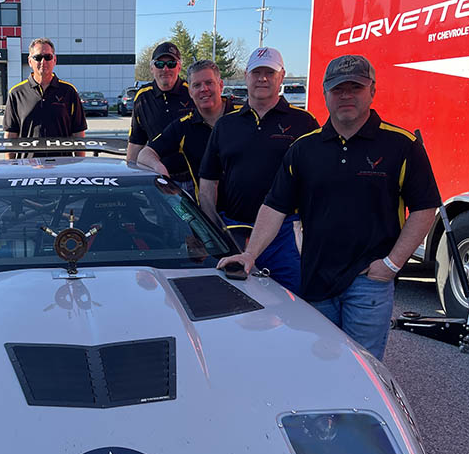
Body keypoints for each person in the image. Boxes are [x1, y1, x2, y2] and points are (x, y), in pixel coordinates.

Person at [218, 55, 441, 359]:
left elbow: (425, 207)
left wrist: (391, 264)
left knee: (364, 366)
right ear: (325, 94)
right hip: (316, 280)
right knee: (318, 363)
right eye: (338, 89)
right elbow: (274, 206)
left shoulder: (400, 145)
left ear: (372, 91)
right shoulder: (303, 148)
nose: (346, 95)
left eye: (355, 88)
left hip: (369, 283)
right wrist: (250, 254)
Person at [198, 48, 319, 293]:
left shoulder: (304, 122)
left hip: (285, 234)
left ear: (281, 76)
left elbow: (318, 183)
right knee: (232, 301)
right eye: (257, 72)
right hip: (234, 230)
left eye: (269, 72)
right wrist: (214, 229)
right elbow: (208, 182)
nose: (262, 78)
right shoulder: (226, 124)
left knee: (292, 303)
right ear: (246, 76)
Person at [137, 59, 235, 202]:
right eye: (197, 85)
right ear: (190, 91)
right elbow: (145, 154)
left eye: (209, 83)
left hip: (255, 214)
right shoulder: (184, 126)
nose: (203, 89)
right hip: (209, 216)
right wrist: (160, 170)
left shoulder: (244, 115)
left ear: (220, 85)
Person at [3, 38, 86, 156]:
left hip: (63, 168)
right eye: (37, 57)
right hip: (27, 168)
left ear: (55, 60)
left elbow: (78, 134)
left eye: (48, 57)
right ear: (30, 61)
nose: (43, 61)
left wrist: (79, 165)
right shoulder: (16, 93)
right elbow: (11, 136)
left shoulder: (69, 92)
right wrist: (11, 169)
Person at [126, 42, 192, 163]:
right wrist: (129, 172)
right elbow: (136, 142)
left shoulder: (192, 93)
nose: (165, 69)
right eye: (159, 64)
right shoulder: (143, 97)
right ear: (152, 68)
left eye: (171, 64)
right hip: (155, 173)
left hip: (191, 176)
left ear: (179, 67)